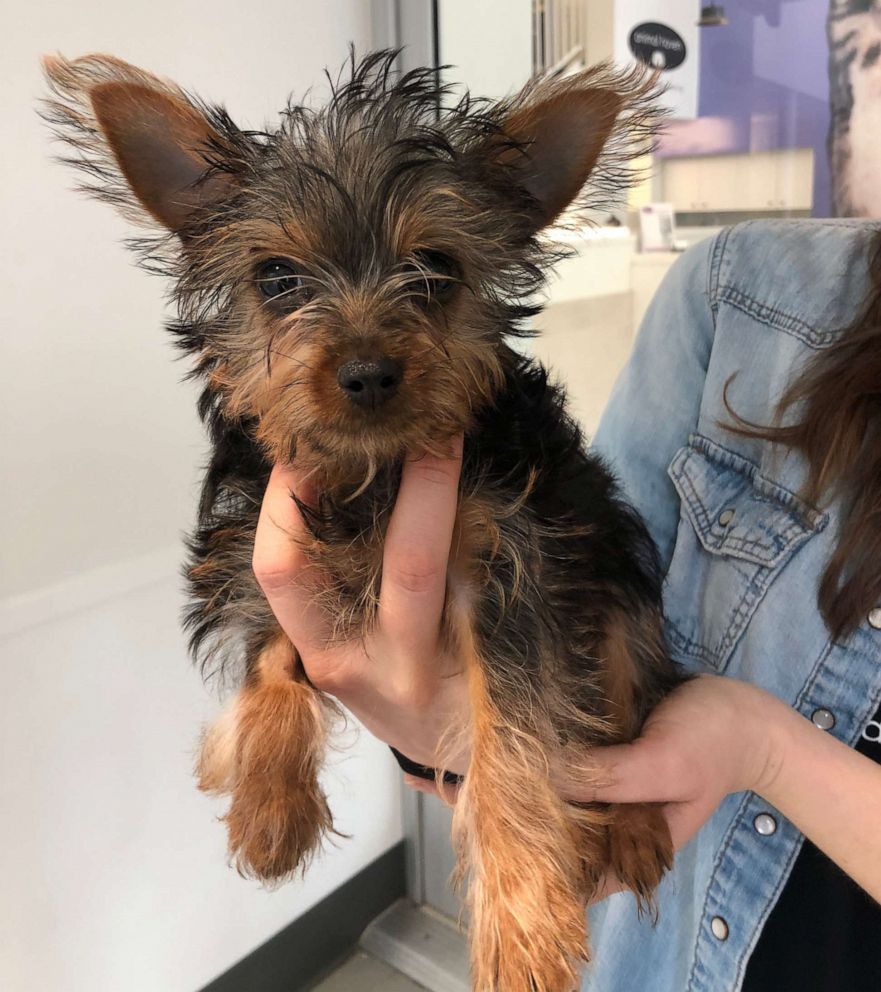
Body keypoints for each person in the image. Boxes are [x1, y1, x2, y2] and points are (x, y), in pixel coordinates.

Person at [250, 219, 881, 992]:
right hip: (656, 952)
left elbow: (575, 594)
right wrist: (423, 731)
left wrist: (762, 750)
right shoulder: (735, 288)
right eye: (282, 283)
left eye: (431, 275)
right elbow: (606, 570)